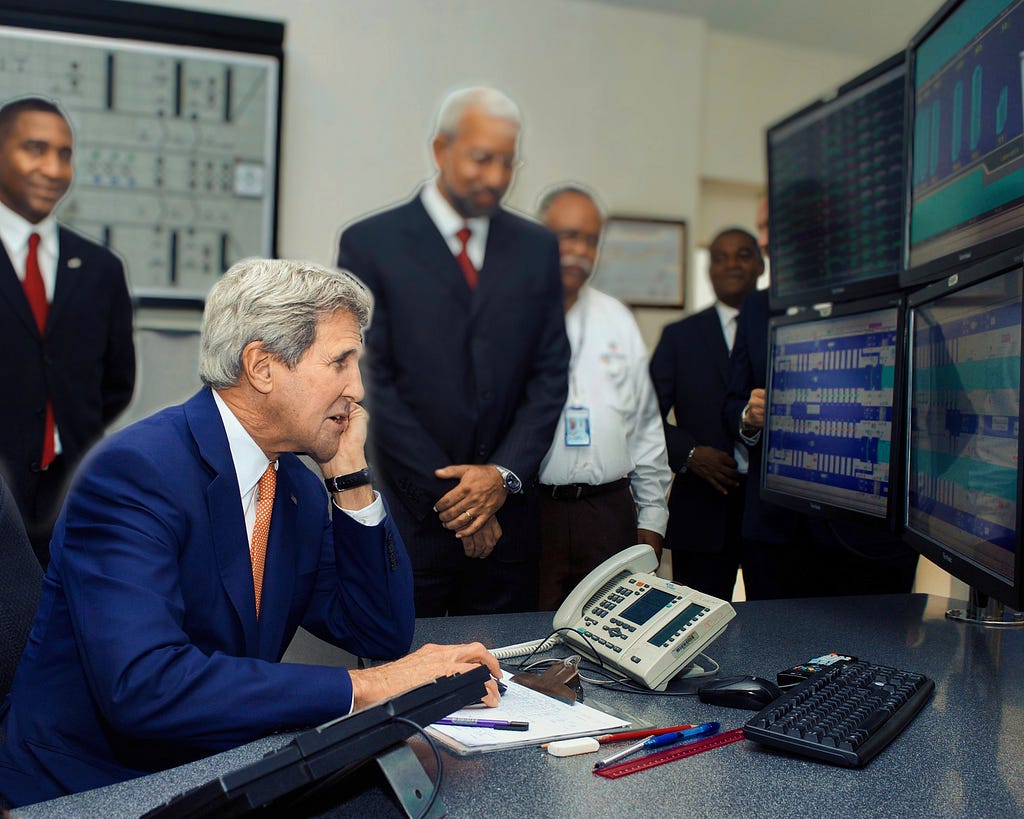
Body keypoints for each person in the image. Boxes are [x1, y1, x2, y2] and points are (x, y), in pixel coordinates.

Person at [0, 259, 501, 807]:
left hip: (217, 767)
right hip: (91, 787)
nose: (357, 388)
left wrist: (350, 478)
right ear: (262, 367)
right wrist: (365, 688)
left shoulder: (294, 486)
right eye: (339, 362)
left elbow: (378, 632)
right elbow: (144, 685)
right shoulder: (134, 473)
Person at [336, 87, 569, 616]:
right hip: (412, 524)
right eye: (480, 158)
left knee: (507, 688)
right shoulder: (371, 244)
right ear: (441, 149)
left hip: (510, 530)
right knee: (409, 684)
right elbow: (373, 383)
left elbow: (550, 376)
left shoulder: (537, 249)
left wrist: (500, 478)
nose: (494, 177)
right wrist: (460, 504)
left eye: (507, 162)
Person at [723, 201, 916, 598]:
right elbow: (730, 402)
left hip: (866, 540)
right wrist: (748, 416)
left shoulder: (891, 292)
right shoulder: (757, 306)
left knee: (870, 658)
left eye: (773, 225)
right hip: (774, 536)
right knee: (770, 654)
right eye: (760, 227)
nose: (762, 241)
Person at [0, 96, 135, 568]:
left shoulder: (100, 267)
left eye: (65, 153)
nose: (53, 168)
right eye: (35, 148)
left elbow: (116, 383)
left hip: (71, 492)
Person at [534, 185, 670, 610]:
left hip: (609, 513)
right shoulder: (510, 315)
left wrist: (652, 519)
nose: (578, 250)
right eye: (566, 236)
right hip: (535, 516)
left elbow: (646, 426)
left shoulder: (617, 318)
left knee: (611, 644)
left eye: (590, 240)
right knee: (528, 643)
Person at [650, 228, 763, 600]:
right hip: (701, 507)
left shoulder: (786, 329)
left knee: (779, 622)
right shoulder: (680, 336)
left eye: (743, 254)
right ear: (709, 270)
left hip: (772, 513)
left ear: (761, 263)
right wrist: (690, 454)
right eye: (720, 257)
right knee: (697, 628)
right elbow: (645, 415)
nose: (732, 264)